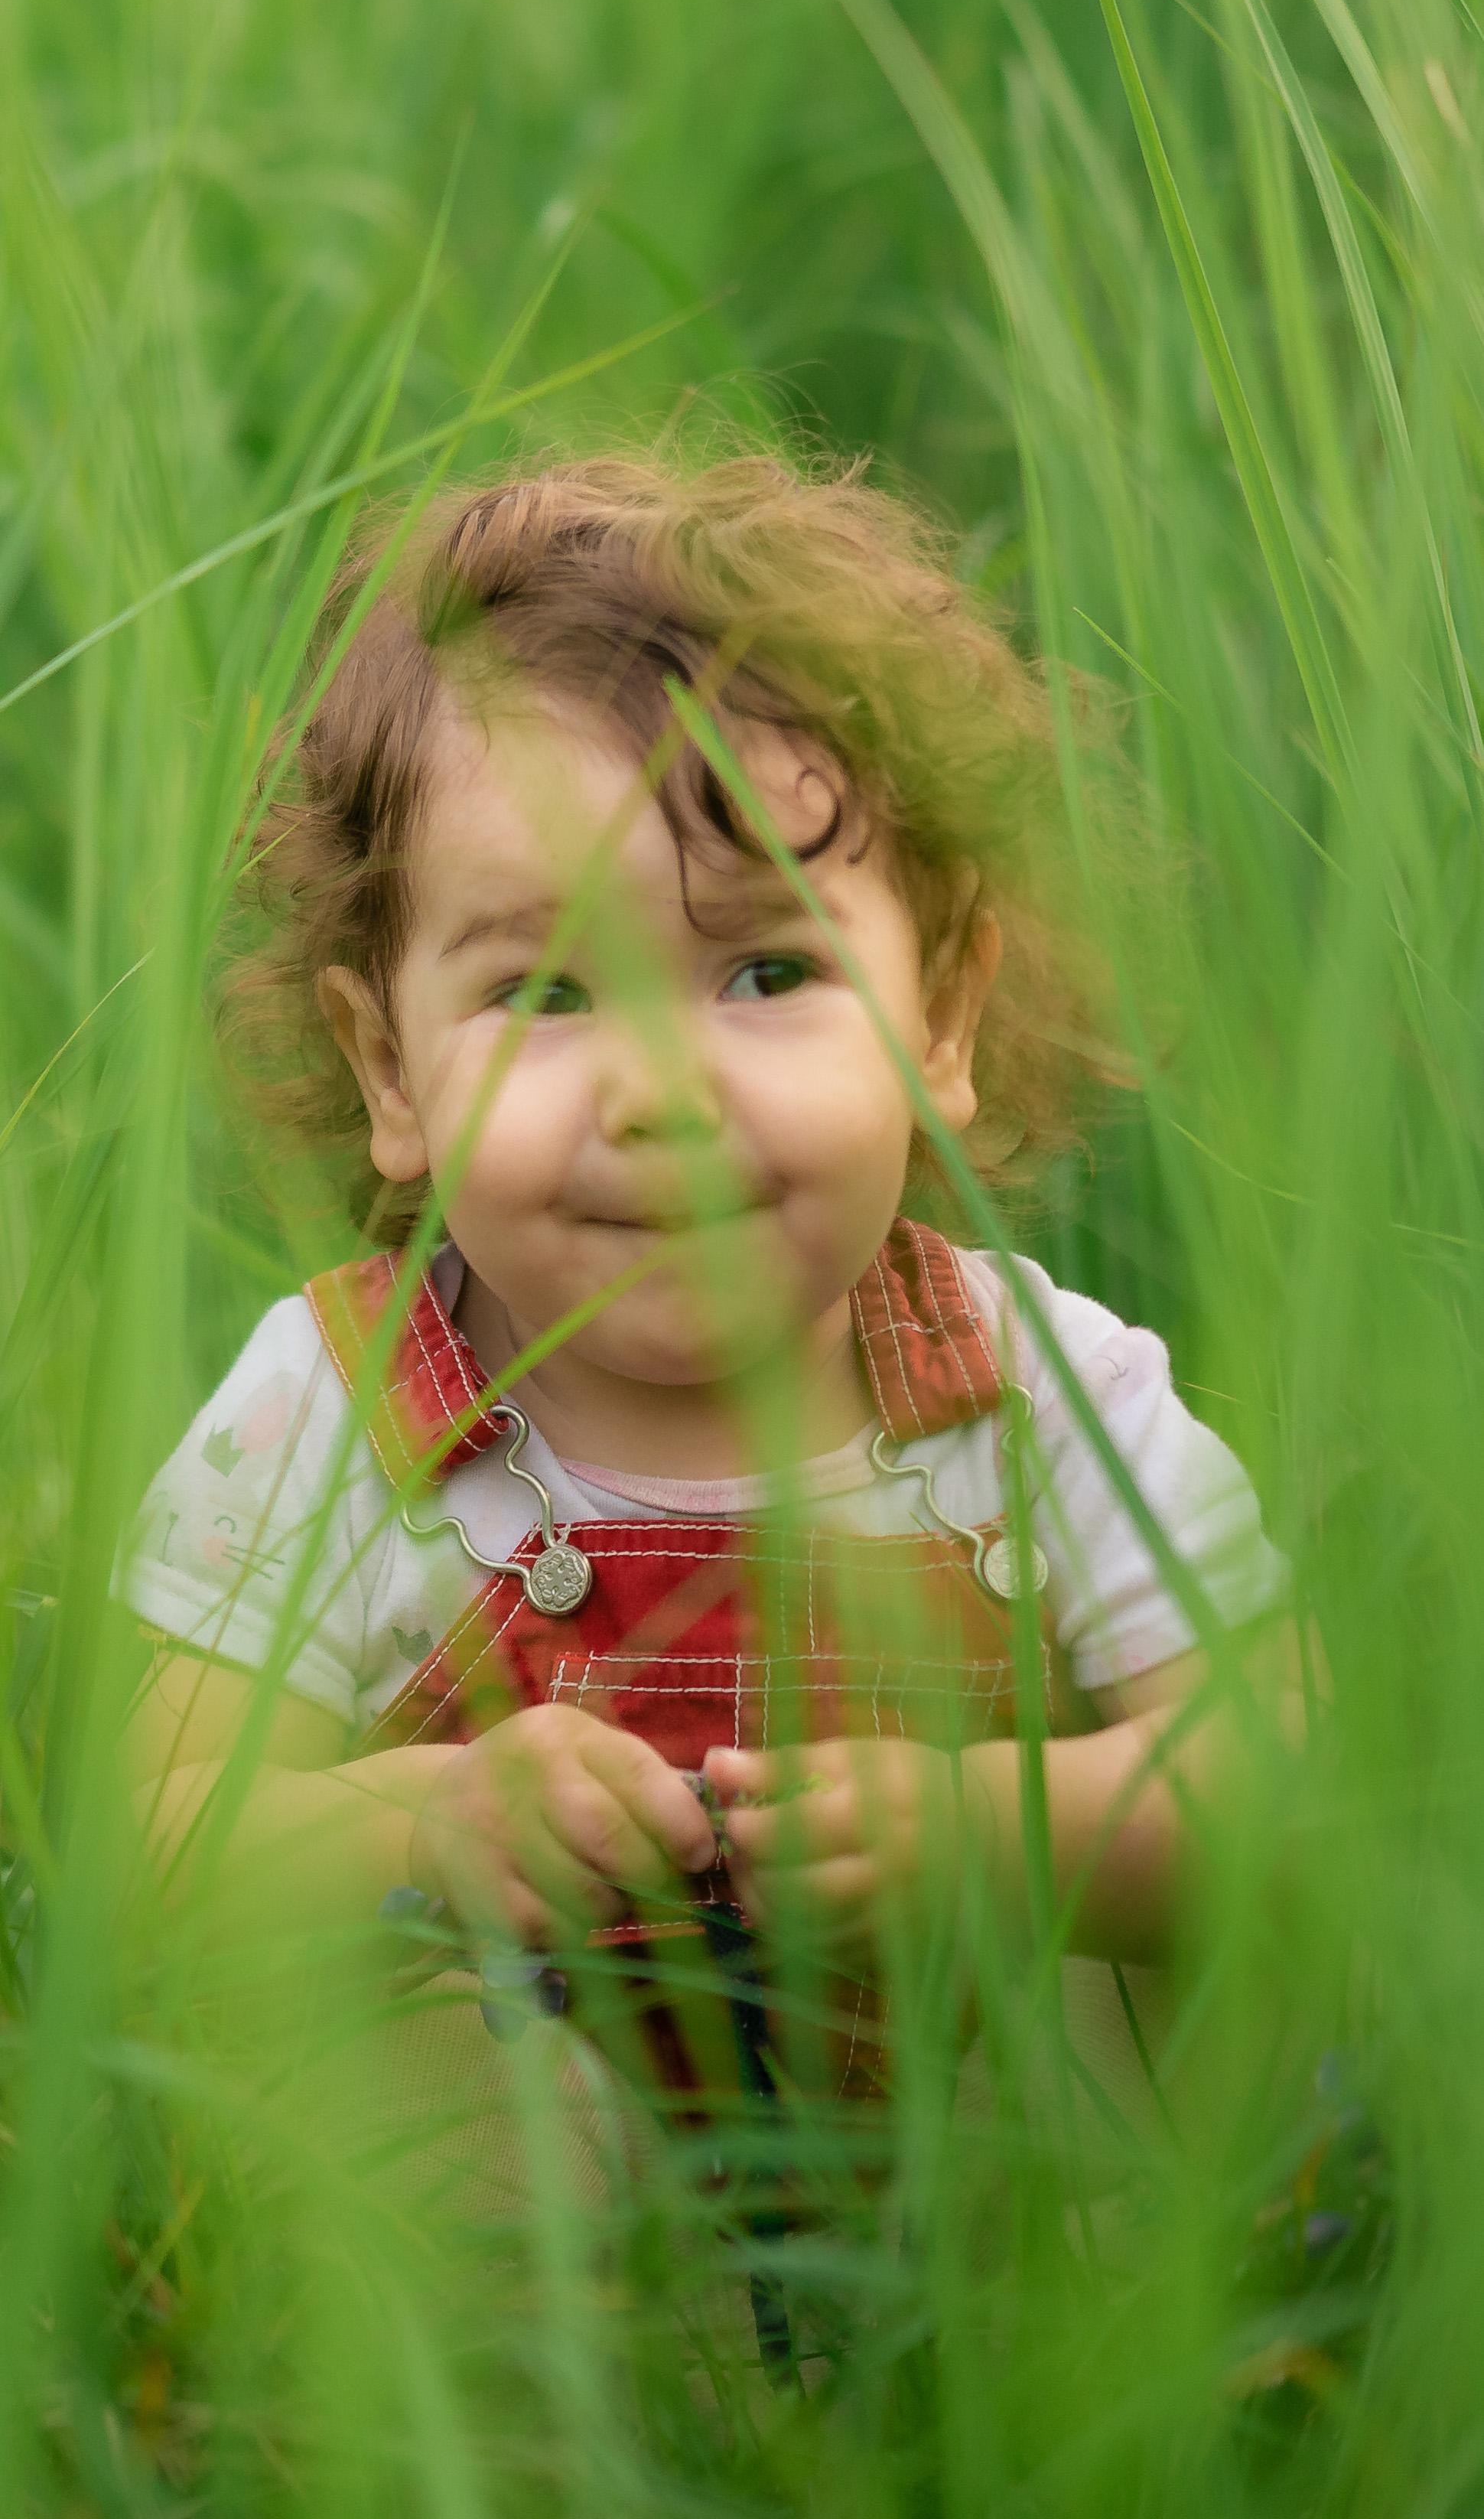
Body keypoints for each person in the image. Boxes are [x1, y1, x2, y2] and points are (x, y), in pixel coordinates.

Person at [124, 452, 1292, 2118]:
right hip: (497, 2327)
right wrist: (418, 1826)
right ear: (389, 1066)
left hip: (1020, 2288)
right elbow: (151, 1836)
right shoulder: (324, 1414)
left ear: (942, 1014)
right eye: (546, 989)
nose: (663, 1087)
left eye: (765, 968)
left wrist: (994, 1825)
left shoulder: (1047, 1396)